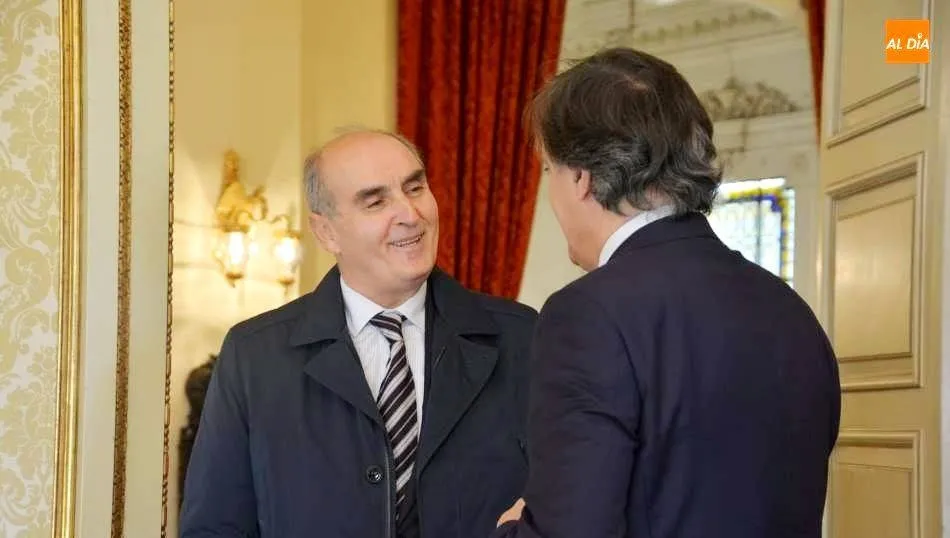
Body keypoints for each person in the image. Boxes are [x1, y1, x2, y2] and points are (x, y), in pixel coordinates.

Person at [493, 47, 840, 537]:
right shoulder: (790, 310)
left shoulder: (588, 314)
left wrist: (510, 528)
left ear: (580, 178)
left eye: (549, 169)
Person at [180, 129, 537, 538]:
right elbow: (214, 526)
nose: (410, 214)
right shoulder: (254, 356)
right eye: (375, 201)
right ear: (326, 232)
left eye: (415, 188)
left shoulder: (522, 337)